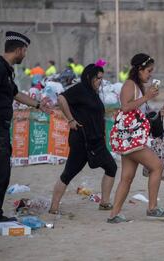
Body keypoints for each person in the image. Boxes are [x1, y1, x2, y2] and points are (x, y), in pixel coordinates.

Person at [0, 31, 51, 222]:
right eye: (24, 51)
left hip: (1, 127)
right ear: (18, 50)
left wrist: (39, 105)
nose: (25, 55)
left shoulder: (6, 70)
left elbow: (15, 93)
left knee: (1, 171)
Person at [108, 53, 164, 223]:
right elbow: (125, 107)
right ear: (139, 69)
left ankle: (114, 215)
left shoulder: (138, 86)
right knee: (157, 166)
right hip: (131, 139)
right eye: (148, 71)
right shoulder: (130, 84)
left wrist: (160, 113)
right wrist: (146, 97)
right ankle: (152, 208)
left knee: (127, 177)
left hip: (130, 138)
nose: (150, 74)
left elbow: (141, 114)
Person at [48, 63, 117, 214]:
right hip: (83, 140)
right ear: (89, 77)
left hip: (96, 141)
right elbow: (61, 98)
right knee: (69, 173)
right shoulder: (80, 89)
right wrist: (71, 120)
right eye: (98, 78)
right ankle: (54, 207)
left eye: (101, 78)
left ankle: (104, 203)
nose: (100, 81)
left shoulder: (94, 93)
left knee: (111, 167)